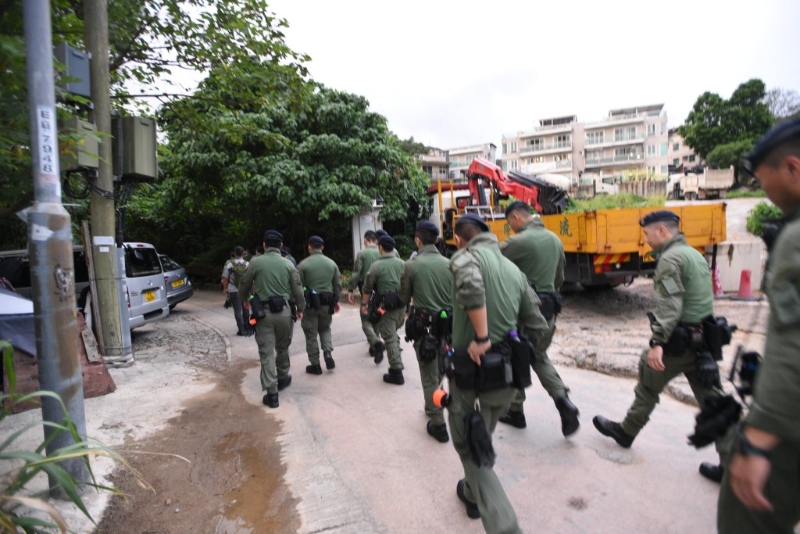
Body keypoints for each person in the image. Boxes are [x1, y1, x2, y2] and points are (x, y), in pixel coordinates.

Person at [592, 210, 733, 481]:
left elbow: (670, 305)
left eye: (647, 234)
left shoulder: (670, 259)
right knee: (714, 403)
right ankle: (732, 466)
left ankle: (626, 432)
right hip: (703, 343)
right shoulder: (693, 255)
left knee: (648, 384)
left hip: (678, 345)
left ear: (662, 231)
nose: (645, 239)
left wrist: (657, 342)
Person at [717, 119, 800, 533]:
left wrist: (760, 436)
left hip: (788, 425)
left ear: (792, 168)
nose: (763, 190)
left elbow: (793, 343)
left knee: (745, 520)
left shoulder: (795, 236)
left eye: (763, 180)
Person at [446, 214, 550, 532]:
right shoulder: (514, 271)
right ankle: (470, 492)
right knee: (482, 433)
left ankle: (506, 526)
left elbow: (472, 287)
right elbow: (537, 323)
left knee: (469, 445)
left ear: (460, 239)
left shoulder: (465, 258)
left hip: (471, 372)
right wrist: (523, 352)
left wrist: (482, 338)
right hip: (505, 374)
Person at [498, 201, 580, 436]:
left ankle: (516, 412)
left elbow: (493, 266)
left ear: (516, 218)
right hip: (549, 309)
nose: (511, 228)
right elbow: (559, 278)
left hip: (524, 311)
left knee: (514, 354)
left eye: (509, 223)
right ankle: (563, 401)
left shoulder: (516, 242)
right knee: (538, 355)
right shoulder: (555, 239)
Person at [398, 220, 453, 443]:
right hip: (449, 327)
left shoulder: (411, 266)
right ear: (437, 239)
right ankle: (433, 406)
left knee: (429, 375)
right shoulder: (450, 264)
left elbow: (403, 297)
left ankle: (439, 424)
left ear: (417, 240)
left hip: (426, 329)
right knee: (440, 369)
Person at [238, 230, 305, 409]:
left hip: (264, 314)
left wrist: (245, 300)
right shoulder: (289, 264)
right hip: (285, 313)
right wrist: (300, 309)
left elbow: (244, 284)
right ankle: (282, 378)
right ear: (281, 245)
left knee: (266, 352)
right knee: (283, 347)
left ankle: (272, 394)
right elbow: (298, 289)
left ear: (264, 245)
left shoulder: (255, 262)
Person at [361, 234, 406, 384]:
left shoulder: (376, 266)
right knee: (393, 334)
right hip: (401, 306)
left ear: (380, 247)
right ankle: (397, 359)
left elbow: (367, 288)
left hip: (385, 308)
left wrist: (364, 305)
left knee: (390, 337)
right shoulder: (403, 264)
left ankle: (396, 371)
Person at [297, 236, 342, 375]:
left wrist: (299, 306)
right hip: (327, 303)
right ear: (322, 247)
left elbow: (298, 286)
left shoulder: (303, 265)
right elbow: (338, 285)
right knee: (325, 328)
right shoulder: (332, 263)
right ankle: (327, 353)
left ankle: (315, 365)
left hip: (310, 304)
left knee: (311, 334)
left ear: (309, 247)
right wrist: (335, 301)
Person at [347, 230, 383, 357]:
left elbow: (357, 272)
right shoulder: (381, 251)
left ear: (365, 240)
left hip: (367, 290)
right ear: (376, 240)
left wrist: (351, 289)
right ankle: (374, 346)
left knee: (365, 318)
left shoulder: (362, 254)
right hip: (380, 290)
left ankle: (375, 342)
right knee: (376, 315)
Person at [221, 246, 250, 336]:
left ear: (234, 253)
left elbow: (225, 278)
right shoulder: (247, 264)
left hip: (233, 290)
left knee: (237, 310)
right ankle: (247, 327)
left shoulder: (230, 264)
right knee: (246, 309)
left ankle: (241, 330)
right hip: (245, 290)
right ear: (243, 253)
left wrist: (225, 288)